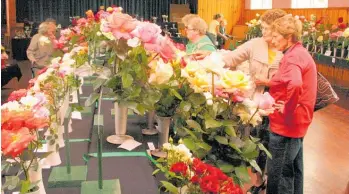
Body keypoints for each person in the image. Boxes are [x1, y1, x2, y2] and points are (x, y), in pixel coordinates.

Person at [190, 9, 287, 194]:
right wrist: (209, 56)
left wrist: (270, 83)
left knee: (270, 147)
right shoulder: (255, 44)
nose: (264, 33)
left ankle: (263, 181)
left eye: (267, 29)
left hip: (276, 107)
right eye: (262, 28)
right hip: (251, 105)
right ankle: (252, 182)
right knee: (250, 144)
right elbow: (230, 58)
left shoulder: (287, 49)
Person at [267, 14, 317, 194]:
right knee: (294, 170)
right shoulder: (299, 52)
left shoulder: (292, 57)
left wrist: (286, 108)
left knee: (279, 174)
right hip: (297, 122)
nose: (272, 41)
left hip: (286, 124)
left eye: (275, 36)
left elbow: (295, 84)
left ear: (288, 37)